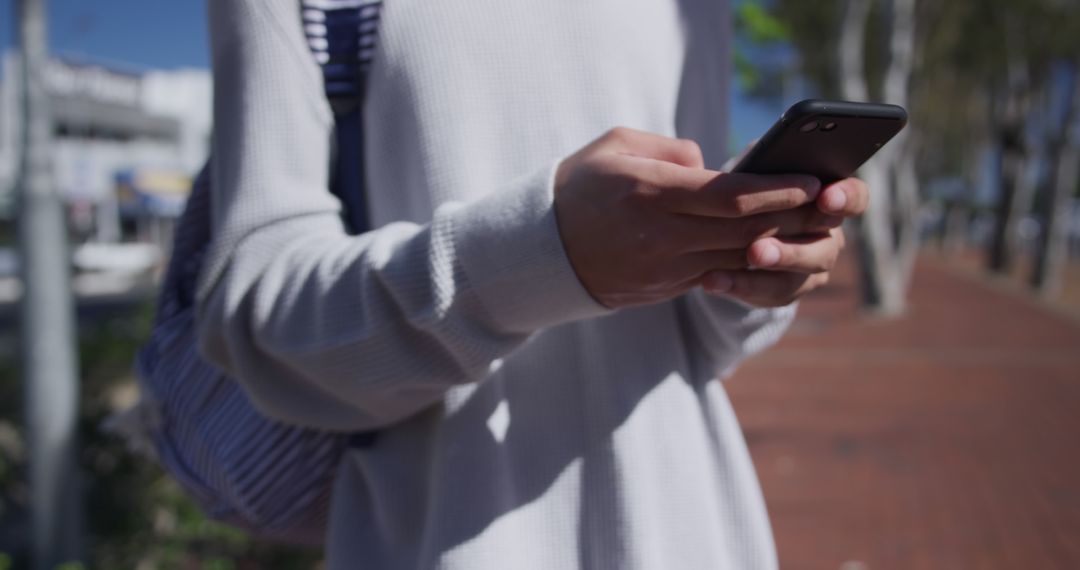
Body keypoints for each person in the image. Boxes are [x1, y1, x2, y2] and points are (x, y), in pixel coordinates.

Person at [197, 0, 869, 567]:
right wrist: (540, 256)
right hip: (446, 540)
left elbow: (697, 346)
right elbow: (256, 318)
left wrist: (752, 266)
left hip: (694, 530)